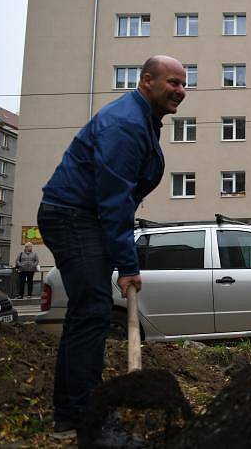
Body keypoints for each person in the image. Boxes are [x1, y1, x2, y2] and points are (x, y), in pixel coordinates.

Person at [37, 55, 186, 438]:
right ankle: (84, 418)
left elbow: (118, 200)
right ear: (147, 81)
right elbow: (114, 200)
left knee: (86, 313)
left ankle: (70, 415)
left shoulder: (142, 120)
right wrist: (128, 265)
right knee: (92, 311)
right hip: (74, 216)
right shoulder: (125, 124)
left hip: (82, 216)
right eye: (172, 82)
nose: (180, 91)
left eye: (184, 84)